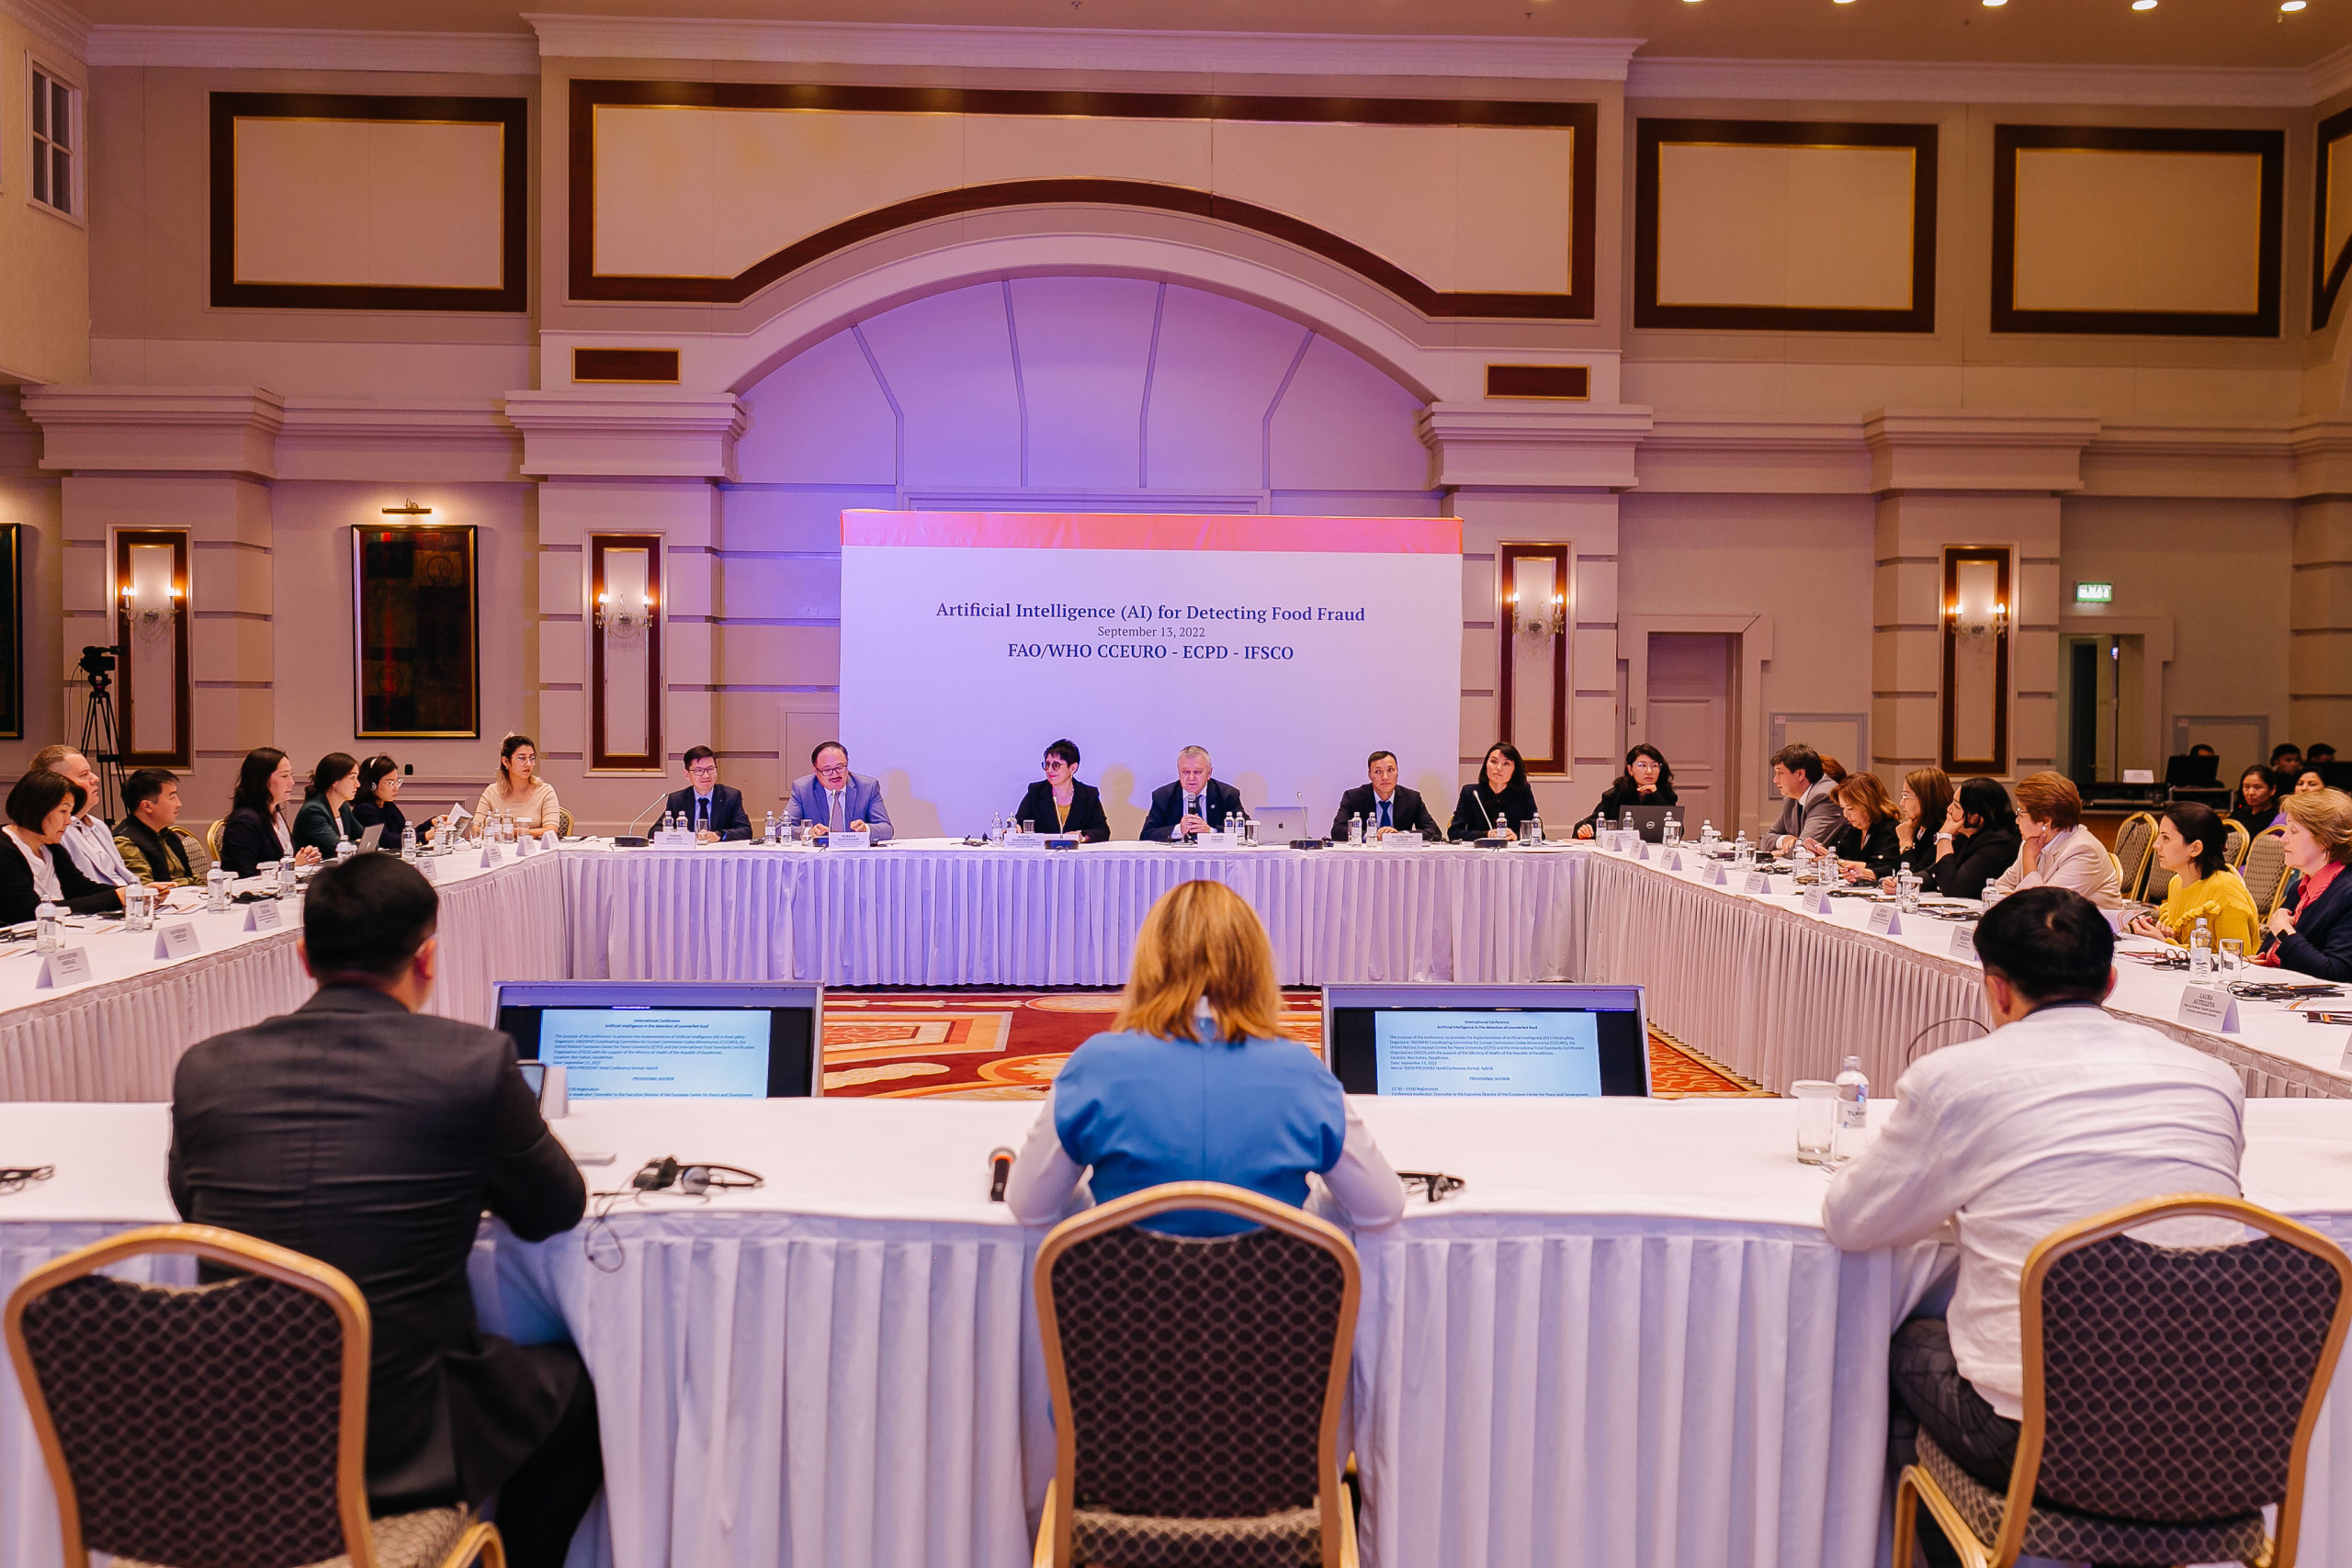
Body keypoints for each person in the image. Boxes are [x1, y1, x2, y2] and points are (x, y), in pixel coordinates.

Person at [167, 856, 599, 1568]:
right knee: (577, 1393)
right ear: (427, 958)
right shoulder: (473, 1062)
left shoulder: (205, 1067)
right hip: (397, 1437)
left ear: (303, 957)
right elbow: (554, 1209)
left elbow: (194, 1208)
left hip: (234, 1437)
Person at [1824, 887, 2243, 1506]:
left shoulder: (1956, 1077)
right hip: (2216, 1435)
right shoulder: (2215, 1077)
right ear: (2111, 982)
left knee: (1901, 1339)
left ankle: (1960, 1538)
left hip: (2039, 1441)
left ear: (1997, 990)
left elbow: (1852, 1221)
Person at [1004, 878, 1404, 1235]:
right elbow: (1380, 1210)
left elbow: (1031, 1209)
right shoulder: (1302, 1071)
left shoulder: (1095, 1065)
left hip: (1126, 1293)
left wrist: (1104, 1211)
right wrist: (1301, 1213)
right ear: (1254, 965)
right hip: (1270, 1295)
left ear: (1149, 963)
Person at [0, 769, 135, 922]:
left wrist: (134, 892)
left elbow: (82, 889)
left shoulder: (50, 847)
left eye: (70, 812)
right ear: (37, 808)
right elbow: (29, 910)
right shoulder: (4, 849)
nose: (68, 821)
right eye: (63, 811)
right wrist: (115, 898)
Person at [2126, 801, 2261, 953]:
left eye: (2166, 838)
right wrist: (2168, 937)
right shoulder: (2176, 883)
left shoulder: (2225, 892)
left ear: (2195, 848)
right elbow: (2188, 944)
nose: (2156, 845)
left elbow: (2236, 960)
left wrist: (2166, 944)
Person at [1981, 772, 2122, 910]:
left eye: (2020, 813)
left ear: (2046, 822)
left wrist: (2029, 860)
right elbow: (1999, 887)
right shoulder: (2031, 842)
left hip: (2094, 926)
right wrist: (2019, 902)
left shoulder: (2083, 851)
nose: (2017, 821)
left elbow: (2044, 908)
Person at [2260, 786, 2352, 980]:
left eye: (2293, 831)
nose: (2283, 839)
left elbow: (2336, 973)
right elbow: (2271, 952)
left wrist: (2283, 931)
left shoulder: (2347, 893)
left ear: (2325, 840)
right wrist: (2260, 961)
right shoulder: (2300, 888)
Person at [31, 742, 135, 886]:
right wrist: (124, 894)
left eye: (90, 772)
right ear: (57, 783)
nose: (95, 778)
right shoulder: (55, 832)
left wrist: (144, 891)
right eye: (83, 775)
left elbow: (121, 875)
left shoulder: (98, 825)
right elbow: (77, 889)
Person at [218, 746, 320, 878]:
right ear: (262, 780)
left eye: (291, 774)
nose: (292, 782)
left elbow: (283, 856)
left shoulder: (275, 812)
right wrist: (294, 864)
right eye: (284, 776)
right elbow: (246, 875)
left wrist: (304, 855)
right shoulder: (244, 820)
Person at [1920, 777, 2020, 899]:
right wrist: (1905, 881)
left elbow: (1952, 888)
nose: (1949, 809)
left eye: (1956, 806)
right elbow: (1935, 874)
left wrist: (1944, 837)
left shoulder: (2000, 844)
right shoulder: (1969, 836)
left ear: (1976, 817)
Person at [114, 766, 213, 886]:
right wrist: (187, 883)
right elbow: (145, 890)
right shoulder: (125, 843)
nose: (179, 804)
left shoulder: (166, 835)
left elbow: (192, 877)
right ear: (147, 806)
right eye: (172, 797)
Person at [786, 740, 895, 842]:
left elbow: (886, 829)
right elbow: (782, 828)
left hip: (854, 853)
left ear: (847, 764)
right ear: (815, 770)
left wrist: (865, 829)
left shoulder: (867, 788)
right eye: (827, 770)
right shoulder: (803, 789)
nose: (835, 774)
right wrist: (808, 832)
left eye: (840, 767)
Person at [1139, 744, 1244, 841]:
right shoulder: (1163, 797)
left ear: (1209, 773)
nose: (1191, 778)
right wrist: (1179, 830)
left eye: (1197, 772)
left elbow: (1245, 831)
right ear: (1179, 773)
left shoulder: (1228, 795)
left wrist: (1211, 832)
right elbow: (1146, 835)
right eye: (1186, 772)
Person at [1013, 739, 1112, 841]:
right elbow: (1019, 822)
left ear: (1073, 768)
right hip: (1044, 851)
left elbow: (1103, 831)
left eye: (1056, 765)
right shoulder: (1035, 792)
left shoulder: (1089, 795)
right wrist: (1016, 829)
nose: (1049, 770)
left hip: (1076, 851)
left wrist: (1081, 836)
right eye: (1047, 764)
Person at [1331, 750, 1442, 840]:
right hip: (1366, 856)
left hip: (1400, 857)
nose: (1385, 777)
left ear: (1397, 772)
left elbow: (1434, 832)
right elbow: (1337, 830)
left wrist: (1400, 835)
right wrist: (1371, 836)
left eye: (1390, 770)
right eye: (1378, 771)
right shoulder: (1353, 797)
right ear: (1369, 775)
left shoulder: (1412, 798)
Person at [1573, 743, 1677, 838]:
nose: (1649, 771)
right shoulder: (1615, 795)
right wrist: (1584, 832)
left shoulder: (1666, 794)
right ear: (1630, 770)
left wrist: (1656, 796)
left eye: (1654, 766)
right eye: (1642, 765)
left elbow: (1678, 831)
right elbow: (1592, 826)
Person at [469, 734, 562, 839]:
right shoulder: (492, 792)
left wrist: (516, 832)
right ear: (506, 761)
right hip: (500, 846)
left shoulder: (545, 791)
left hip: (534, 847)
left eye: (532, 758)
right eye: (521, 758)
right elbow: (476, 828)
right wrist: (505, 833)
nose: (528, 764)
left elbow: (551, 830)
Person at [1449, 741, 1539, 841]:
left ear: (1514, 770)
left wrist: (1516, 836)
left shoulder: (1523, 792)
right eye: (1494, 762)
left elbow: (1538, 832)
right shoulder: (1471, 793)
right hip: (1480, 851)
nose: (1499, 768)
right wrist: (1486, 834)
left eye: (1506, 763)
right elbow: (1454, 833)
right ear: (1486, 765)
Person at [664, 745, 752, 841]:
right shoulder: (677, 799)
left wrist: (719, 835)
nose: (706, 776)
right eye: (699, 770)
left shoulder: (731, 797)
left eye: (710, 769)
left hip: (719, 850)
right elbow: (656, 830)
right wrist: (676, 833)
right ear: (687, 775)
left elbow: (746, 831)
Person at [1766, 743, 1843, 853]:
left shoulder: (1824, 796)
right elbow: (1766, 838)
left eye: (1780, 773)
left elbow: (1802, 851)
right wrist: (1785, 840)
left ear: (1800, 774)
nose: (1775, 780)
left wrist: (1780, 852)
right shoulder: (1791, 799)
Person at [1827, 772, 1901, 881]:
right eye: (1843, 808)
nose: (1846, 814)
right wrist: (1824, 855)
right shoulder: (1856, 829)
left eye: (1851, 808)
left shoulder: (1889, 829)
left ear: (1869, 804)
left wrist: (1839, 862)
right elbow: (1840, 854)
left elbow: (1883, 867)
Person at [1887, 767, 1954, 882]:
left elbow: (1917, 877)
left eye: (1906, 796)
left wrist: (1905, 843)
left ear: (1925, 799)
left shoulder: (1943, 833)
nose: (1901, 803)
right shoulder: (1917, 828)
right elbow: (1895, 869)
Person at [292, 752, 362, 858]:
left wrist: (357, 843)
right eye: (352, 778)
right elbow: (338, 849)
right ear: (334, 781)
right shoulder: (313, 811)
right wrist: (358, 843)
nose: (358, 784)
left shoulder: (343, 807)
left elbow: (370, 842)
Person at [351, 754, 425, 848]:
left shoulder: (388, 805)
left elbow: (404, 834)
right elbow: (387, 841)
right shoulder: (364, 809)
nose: (395, 788)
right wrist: (425, 836)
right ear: (372, 785)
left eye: (396, 782)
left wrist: (431, 823)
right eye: (390, 783)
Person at [2230, 765, 2280, 837]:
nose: (2251, 793)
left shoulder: (2277, 817)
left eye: (2258, 787)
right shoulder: (2239, 814)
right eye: (2246, 787)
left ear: (2272, 790)